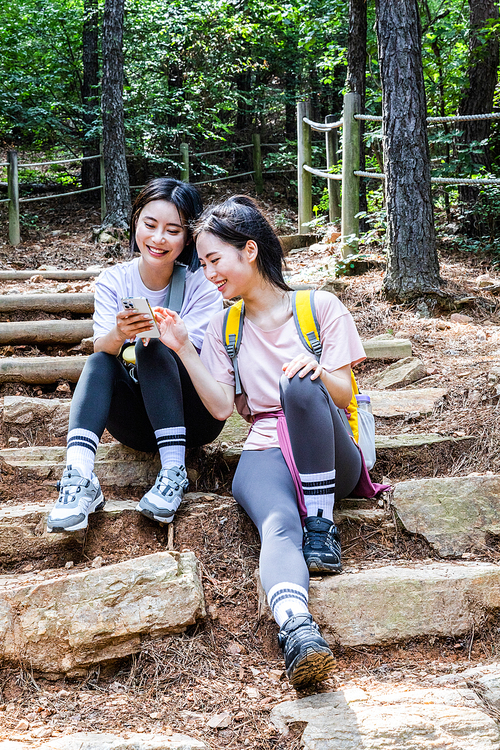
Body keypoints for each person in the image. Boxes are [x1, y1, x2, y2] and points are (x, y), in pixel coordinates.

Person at [154, 195, 388, 688]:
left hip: (327, 445)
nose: (209, 274)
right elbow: (221, 407)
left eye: (215, 260)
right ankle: (297, 630)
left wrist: (317, 371)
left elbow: (346, 391)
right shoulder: (224, 326)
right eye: (204, 264)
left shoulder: (318, 306)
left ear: (251, 250)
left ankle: (322, 525)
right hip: (264, 447)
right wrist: (182, 348)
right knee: (278, 525)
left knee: (298, 385)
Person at [47, 177, 225, 533]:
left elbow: (201, 355)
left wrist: (163, 335)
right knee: (100, 360)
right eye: (150, 224)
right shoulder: (114, 280)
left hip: (195, 416)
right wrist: (119, 333)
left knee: (156, 344)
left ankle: (174, 472)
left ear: (188, 238)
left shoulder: (202, 284)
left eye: (173, 230)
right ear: (135, 223)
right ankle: (79, 479)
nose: (158, 238)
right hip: (139, 423)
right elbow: (102, 347)